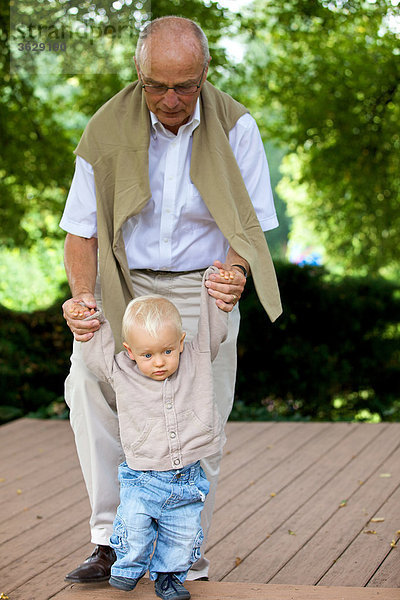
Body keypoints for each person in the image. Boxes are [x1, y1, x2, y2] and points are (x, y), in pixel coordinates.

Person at [60, 15, 282, 584]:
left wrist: (234, 272)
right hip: (122, 277)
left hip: (199, 280)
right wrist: (82, 298)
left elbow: (250, 226)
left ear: (205, 74)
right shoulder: (106, 127)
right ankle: (112, 539)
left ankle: (180, 549)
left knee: (201, 407)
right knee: (88, 382)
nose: (170, 98)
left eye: (184, 85)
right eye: (156, 85)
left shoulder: (237, 127)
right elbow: (80, 230)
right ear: (140, 75)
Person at [75, 265, 230, 598]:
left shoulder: (197, 359)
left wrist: (211, 291)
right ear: (130, 353)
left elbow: (213, 329)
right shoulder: (122, 371)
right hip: (142, 478)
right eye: (147, 355)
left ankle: (169, 577)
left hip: (186, 479)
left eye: (167, 351)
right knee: (133, 525)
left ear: (181, 343)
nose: (159, 362)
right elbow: (96, 357)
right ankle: (128, 565)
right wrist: (92, 320)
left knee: (182, 534)